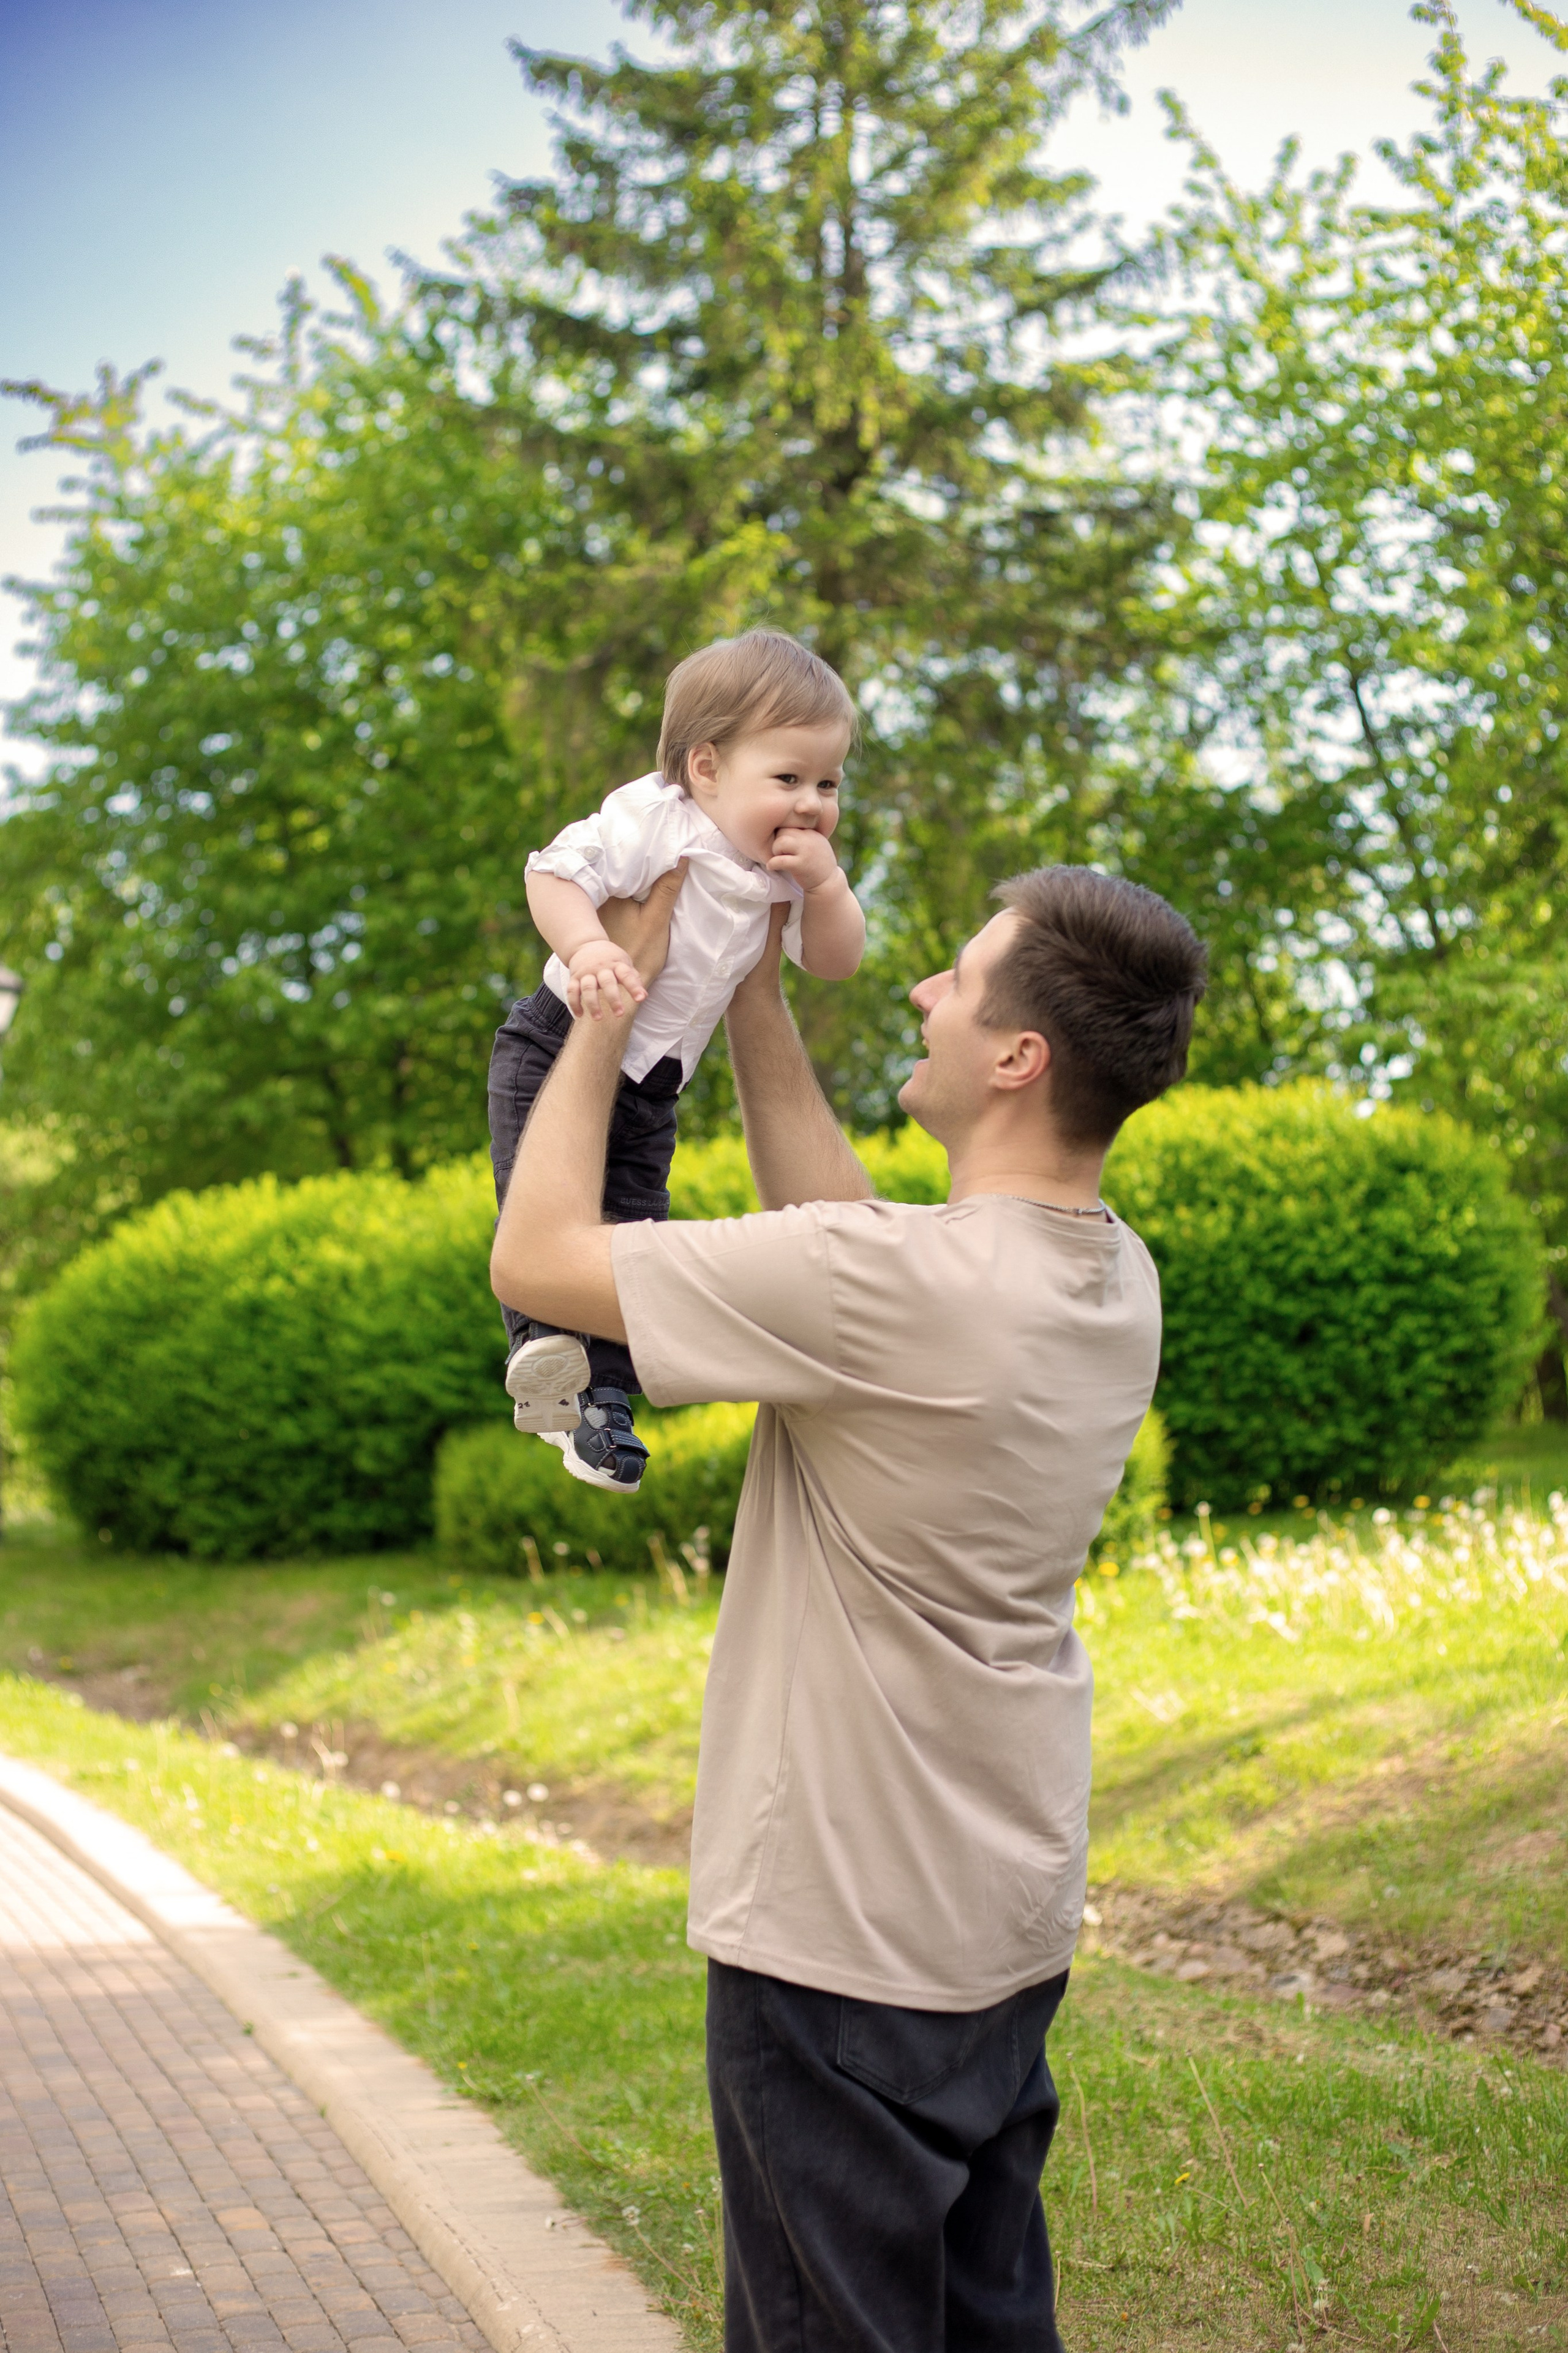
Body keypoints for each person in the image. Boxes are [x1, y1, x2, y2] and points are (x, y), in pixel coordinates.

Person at [491, 860, 1206, 2351]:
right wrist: (750, 986)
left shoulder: (893, 1286)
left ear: (1016, 1057)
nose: (923, 990)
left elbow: (536, 1259)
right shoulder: (1108, 1276)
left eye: (957, 979)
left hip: (836, 1946)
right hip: (996, 1922)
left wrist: (609, 1000)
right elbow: (848, 1239)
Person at [488, 628, 865, 1494]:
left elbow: (834, 961)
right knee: (542, 1204)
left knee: (630, 1232)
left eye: (830, 783)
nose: (812, 804)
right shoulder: (656, 820)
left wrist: (829, 888)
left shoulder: (785, 870)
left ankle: (603, 1408)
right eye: (789, 778)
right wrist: (589, 948)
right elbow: (552, 873)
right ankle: (540, 1354)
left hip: (653, 1085)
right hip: (557, 1042)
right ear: (706, 768)